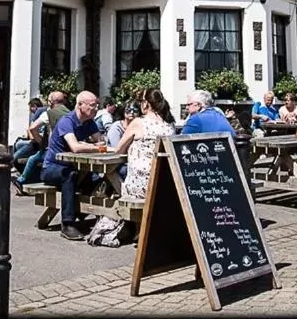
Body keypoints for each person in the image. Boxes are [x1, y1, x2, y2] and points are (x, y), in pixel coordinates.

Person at [86, 89, 175, 248]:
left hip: (140, 184)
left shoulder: (138, 123)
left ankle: (135, 229)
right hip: (163, 182)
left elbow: (119, 149)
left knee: (115, 182)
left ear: (146, 104)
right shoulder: (169, 125)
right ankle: (137, 229)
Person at [40, 91, 105, 241]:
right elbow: (75, 147)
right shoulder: (67, 121)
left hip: (75, 167)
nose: (96, 109)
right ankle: (67, 224)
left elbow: (101, 142)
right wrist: (94, 146)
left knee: (99, 180)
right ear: (80, 105)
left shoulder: (89, 122)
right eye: (93, 106)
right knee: (70, 175)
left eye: (97, 105)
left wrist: (92, 145)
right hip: (51, 168)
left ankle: (86, 214)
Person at [13, 91, 70, 193]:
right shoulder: (70, 113)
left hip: (53, 149)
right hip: (68, 149)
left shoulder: (49, 113)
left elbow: (32, 128)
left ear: (51, 102)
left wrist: (40, 141)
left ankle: (21, 181)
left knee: (32, 159)